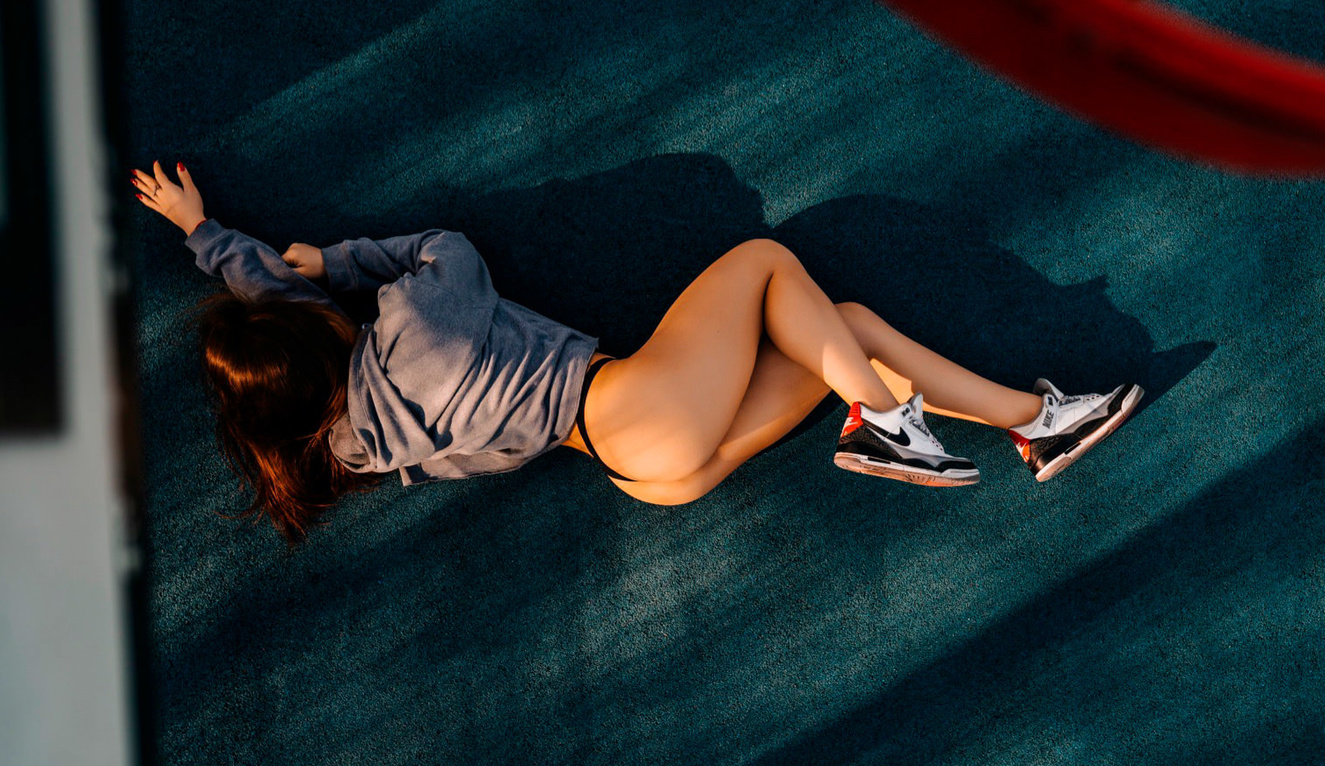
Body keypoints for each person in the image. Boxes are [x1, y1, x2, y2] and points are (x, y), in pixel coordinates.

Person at [133, 161, 1142, 540]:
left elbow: (287, 323)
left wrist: (213, 240)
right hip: (629, 403)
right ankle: (886, 428)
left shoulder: (351, 442)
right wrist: (337, 260)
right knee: (759, 259)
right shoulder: (412, 325)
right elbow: (447, 247)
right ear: (314, 327)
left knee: (852, 329)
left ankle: (1037, 424)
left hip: (639, 470)